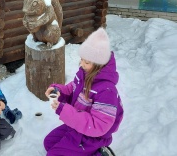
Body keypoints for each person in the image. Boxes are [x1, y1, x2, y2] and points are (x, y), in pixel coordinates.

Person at [44, 28, 123, 156]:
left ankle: (99, 153)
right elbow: (71, 89)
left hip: (93, 136)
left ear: (99, 65)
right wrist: (58, 91)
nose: (82, 64)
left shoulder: (107, 91)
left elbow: (98, 126)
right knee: (49, 143)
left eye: (86, 62)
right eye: (81, 59)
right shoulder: (84, 74)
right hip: (79, 126)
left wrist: (64, 110)